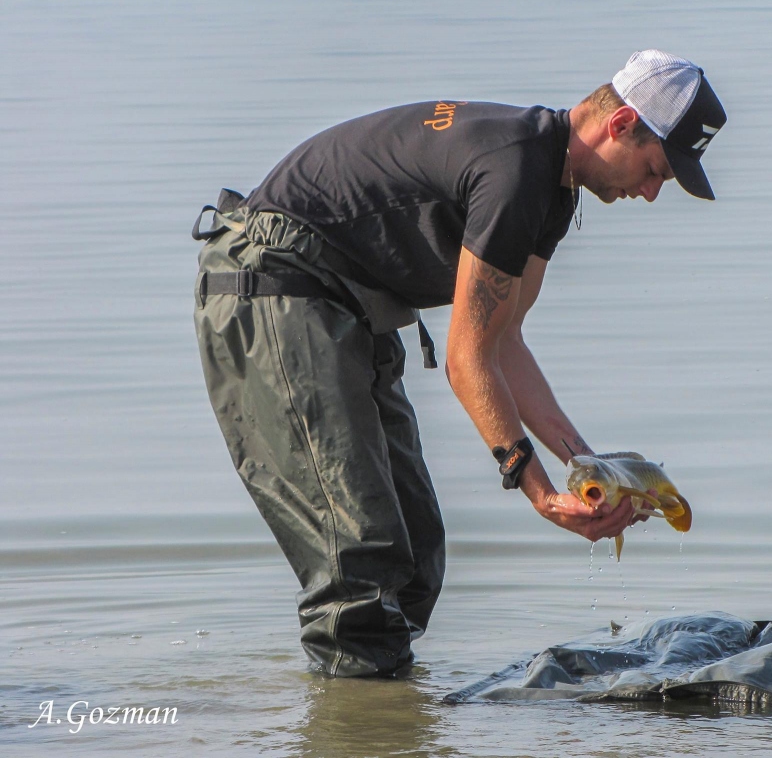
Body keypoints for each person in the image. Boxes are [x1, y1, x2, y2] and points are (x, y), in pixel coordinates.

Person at [192, 49, 726, 677]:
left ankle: (387, 719)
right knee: (359, 565)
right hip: (272, 288)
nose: (653, 192)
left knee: (417, 556)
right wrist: (541, 496)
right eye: (656, 169)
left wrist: (592, 471)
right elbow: (467, 359)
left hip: (343, 303)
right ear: (620, 124)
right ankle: (357, 720)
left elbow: (506, 344)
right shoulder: (514, 172)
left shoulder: (551, 186)